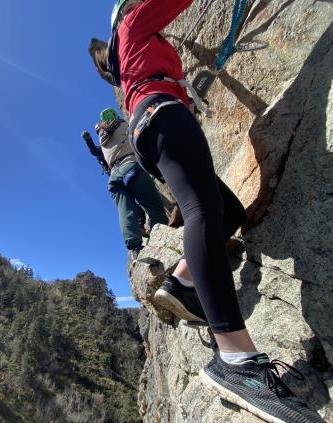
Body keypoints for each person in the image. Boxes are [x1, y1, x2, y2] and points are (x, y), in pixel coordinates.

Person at [105, 1, 324, 422]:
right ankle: (236, 360)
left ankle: (183, 283)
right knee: (202, 208)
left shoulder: (131, 59)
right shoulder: (131, 24)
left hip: (153, 124)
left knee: (227, 212)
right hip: (162, 115)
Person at [81, 108, 168, 260]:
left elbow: (95, 152)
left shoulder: (103, 138)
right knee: (153, 206)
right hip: (131, 167)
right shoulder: (125, 126)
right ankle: (162, 237)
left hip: (114, 178)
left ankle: (135, 248)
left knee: (125, 211)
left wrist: (88, 140)